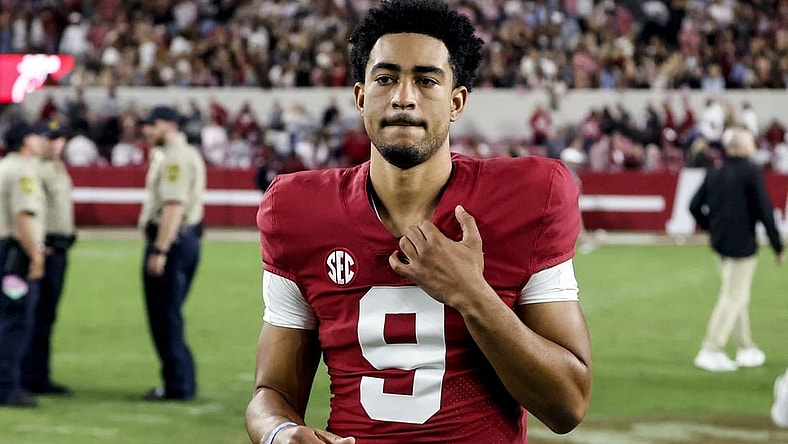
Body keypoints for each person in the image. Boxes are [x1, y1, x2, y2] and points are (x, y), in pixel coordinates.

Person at [245, 1, 593, 443]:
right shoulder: (298, 211)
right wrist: (280, 433)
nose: (403, 96)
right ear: (360, 96)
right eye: (386, 78)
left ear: (456, 102)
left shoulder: (528, 198)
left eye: (426, 80)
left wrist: (471, 294)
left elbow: (567, 405)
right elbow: (271, 391)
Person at [689, 127, 784, 373]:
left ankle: (746, 348)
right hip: (742, 246)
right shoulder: (750, 172)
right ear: (741, 146)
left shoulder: (716, 171)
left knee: (736, 296)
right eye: (751, 141)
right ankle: (711, 349)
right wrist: (777, 245)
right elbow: (764, 209)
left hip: (721, 244)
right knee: (733, 297)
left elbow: (694, 206)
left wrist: (712, 227)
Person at [137, 105, 205, 401]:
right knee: (169, 313)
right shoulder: (182, 153)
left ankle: (178, 383)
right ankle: (181, 380)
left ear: (167, 125)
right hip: (185, 240)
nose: (146, 131)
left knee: (165, 315)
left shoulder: (174, 158)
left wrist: (160, 249)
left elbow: (173, 206)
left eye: (151, 125)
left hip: (172, 242)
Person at [23, 120, 76, 395]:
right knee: (36, 314)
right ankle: (31, 375)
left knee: (46, 315)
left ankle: (38, 373)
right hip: (48, 248)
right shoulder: (37, 170)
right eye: (50, 138)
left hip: (61, 247)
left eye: (60, 138)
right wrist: (40, 246)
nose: (56, 144)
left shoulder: (57, 168)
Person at [0, 121, 46, 408]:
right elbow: (23, 217)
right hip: (14, 255)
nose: (41, 140)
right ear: (25, 141)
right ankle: (6, 386)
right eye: (36, 135)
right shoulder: (22, 172)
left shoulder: (4, 166)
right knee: (15, 320)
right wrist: (36, 255)